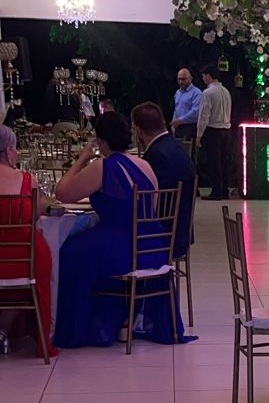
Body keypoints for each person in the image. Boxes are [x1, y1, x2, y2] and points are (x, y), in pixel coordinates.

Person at [54, 109, 186, 347]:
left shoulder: (103, 166)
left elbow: (62, 192)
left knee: (69, 251)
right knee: (86, 247)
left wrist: (81, 159)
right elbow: (152, 208)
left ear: (102, 141)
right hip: (152, 245)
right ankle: (117, 317)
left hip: (122, 245)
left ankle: (86, 324)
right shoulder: (145, 165)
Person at [0, 124, 56, 357]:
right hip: (24, 260)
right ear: (9, 150)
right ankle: (7, 331)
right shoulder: (25, 180)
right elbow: (37, 215)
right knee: (41, 262)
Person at [131, 101, 196, 259]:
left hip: (163, 236)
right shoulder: (176, 147)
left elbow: (146, 200)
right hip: (182, 232)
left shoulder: (156, 156)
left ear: (138, 131)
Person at [196, 64, 233, 200]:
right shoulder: (226, 91)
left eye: (204, 76)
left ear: (208, 76)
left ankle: (217, 192)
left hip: (213, 130)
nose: (203, 79)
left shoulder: (207, 93)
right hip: (226, 129)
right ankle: (224, 190)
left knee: (214, 162)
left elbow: (204, 115)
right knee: (224, 161)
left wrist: (199, 135)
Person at [172, 67, 202, 142]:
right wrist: (174, 122)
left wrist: (180, 120)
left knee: (188, 148)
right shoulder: (178, 92)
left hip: (190, 127)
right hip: (178, 127)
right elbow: (176, 108)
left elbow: (195, 111)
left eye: (184, 79)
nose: (181, 82)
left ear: (191, 78)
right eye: (179, 79)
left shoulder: (196, 93)